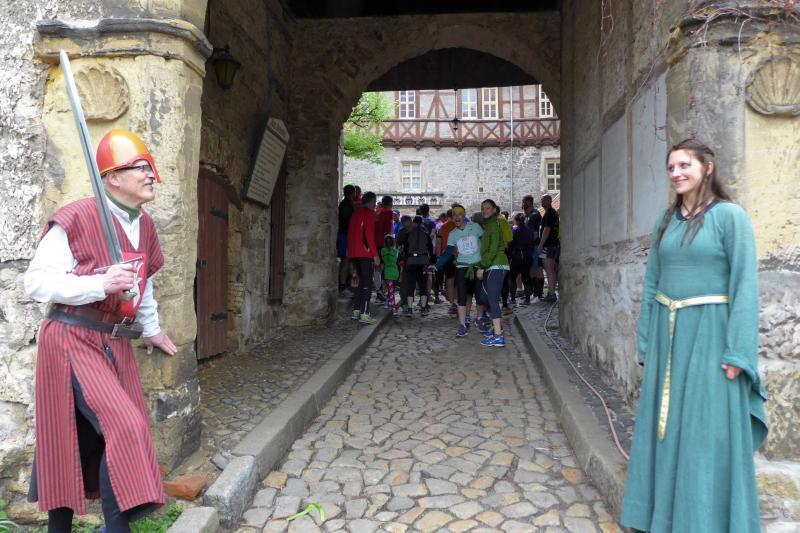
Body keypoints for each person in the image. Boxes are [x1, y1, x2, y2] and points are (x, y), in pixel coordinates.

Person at [24, 129, 177, 532]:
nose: (151, 174)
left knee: (84, 437)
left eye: (150, 167)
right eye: (140, 167)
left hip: (115, 341)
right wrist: (99, 284)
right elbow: (36, 283)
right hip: (71, 336)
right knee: (122, 427)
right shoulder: (77, 216)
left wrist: (152, 329)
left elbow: (144, 285)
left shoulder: (145, 226)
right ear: (113, 178)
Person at [620, 139, 768, 533]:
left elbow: (745, 286)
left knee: (705, 431)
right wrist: (646, 343)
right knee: (666, 430)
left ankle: (703, 522)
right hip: (668, 338)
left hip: (711, 336)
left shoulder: (730, 217)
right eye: (671, 167)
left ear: (708, 167)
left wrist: (738, 353)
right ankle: (662, 519)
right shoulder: (666, 221)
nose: (676, 173)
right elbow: (652, 282)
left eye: (685, 165)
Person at [435, 204, 482, 337]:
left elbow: (485, 244)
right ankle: (462, 325)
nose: (456, 217)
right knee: (461, 297)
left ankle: (480, 319)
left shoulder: (475, 227)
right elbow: (448, 253)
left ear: (464, 215)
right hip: (461, 267)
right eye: (454, 215)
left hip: (477, 267)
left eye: (459, 214)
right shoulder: (453, 234)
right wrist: (436, 266)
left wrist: (486, 263)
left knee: (480, 296)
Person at [475, 199, 510, 347]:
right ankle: (497, 327)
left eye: (488, 208)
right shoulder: (488, 225)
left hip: (497, 265)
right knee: (484, 297)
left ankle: (498, 336)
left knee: (493, 300)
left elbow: (494, 248)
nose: (484, 210)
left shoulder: (494, 225)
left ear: (494, 209)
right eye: (483, 208)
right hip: (493, 265)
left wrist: (482, 266)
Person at [347, 191, 380, 324]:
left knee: (360, 283)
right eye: (374, 202)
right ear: (371, 201)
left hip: (354, 253)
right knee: (367, 283)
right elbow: (369, 236)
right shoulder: (369, 213)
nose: (375, 205)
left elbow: (350, 234)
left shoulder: (355, 214)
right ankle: (365, 313)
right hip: (365, 253)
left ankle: (356, 311)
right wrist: (375, 254)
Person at [399, 216, 432, 317]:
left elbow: (404, 249)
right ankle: (423, 308)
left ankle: (409, 309)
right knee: (423, 285)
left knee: (411, 286)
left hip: (411, 261)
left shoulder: (408, 234)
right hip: (423, 261)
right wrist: (431, 262)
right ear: (421, 223)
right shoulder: (426, 234)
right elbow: (430, 249)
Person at [508, 212, 536, 305]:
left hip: (517, 257)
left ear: (516, 220)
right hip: (527, 257)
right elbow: (532, 244)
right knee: (526, 278)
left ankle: (512, 299)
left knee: (512, 277)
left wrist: (509, 256)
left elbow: (511, 245)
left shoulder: (515, 230)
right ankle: (527, 299)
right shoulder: (530, 230)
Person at [522, 195, 545, 300]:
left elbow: (535, 233)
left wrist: (527, 245)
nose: (523, 204)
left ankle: (537, 294)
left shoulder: (534, 215)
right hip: (532, 246)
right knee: (533, 269)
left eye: (524, 202)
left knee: (537, 269)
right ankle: (535, 293)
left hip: (534, 246)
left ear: (529, 202)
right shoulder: (530, 215)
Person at [373, 196, 395, 302]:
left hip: (375, 244)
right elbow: (389, 230)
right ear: (390, 204)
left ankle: (379, 290)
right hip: (384, 244)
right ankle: (385, 291)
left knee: (377, 267)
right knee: (386, 267)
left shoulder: (376, 211)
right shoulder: (388, 212)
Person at [539, 194, 560, 302]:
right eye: (541, 200)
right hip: (551, 245)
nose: (542, 202)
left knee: (549, 269)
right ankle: (551, 293)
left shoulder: (550, 213)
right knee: (550, 269)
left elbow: (546, 230)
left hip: (549, 245)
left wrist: (541, 244)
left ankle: (552, 294)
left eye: (544, 200)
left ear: (549, 201)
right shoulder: (552, 213)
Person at [337, 184, 356, 295]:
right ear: (352, 193)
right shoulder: (346, 205)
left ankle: (345, 284)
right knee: (346, 260)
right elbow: (348, 222)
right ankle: (343, 286)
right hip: (345, 236)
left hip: (345, 235)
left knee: (347, 260)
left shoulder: (346, 204)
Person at [380, 234, 400, 317]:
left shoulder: (382, 251)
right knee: (392, 290)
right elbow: (399, 263)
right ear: (393, 242)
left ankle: (392, 307)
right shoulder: (396, 252)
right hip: (395, 273)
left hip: (387, 273)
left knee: (390, 290)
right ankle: (392, 307)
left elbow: (381, 264)